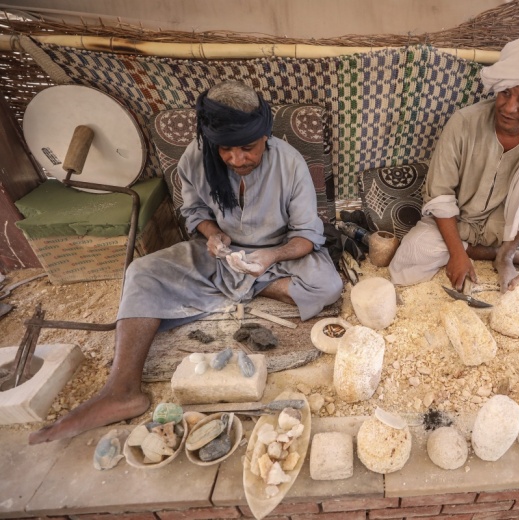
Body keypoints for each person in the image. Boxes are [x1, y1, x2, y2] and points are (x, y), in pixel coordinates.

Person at [29, 80, 343, 444]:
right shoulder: (195, 158)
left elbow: (307, 236)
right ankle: (121, 390)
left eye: (248, 148)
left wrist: (271, 254)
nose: (237, 159)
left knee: (328, 285)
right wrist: (214, 236)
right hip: (223, 256)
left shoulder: (289, 163)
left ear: (265, 135)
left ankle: (240, 286)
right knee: (141, 272)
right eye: (226, 149)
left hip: (278, 254)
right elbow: (194, 212)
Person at [389, 35, 519, 323]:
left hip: (509, 229)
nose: (508, 107)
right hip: (458, 225)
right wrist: (457, 255)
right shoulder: (464, 123)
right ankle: (483, 252)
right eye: (505, 93)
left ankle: (506, 254)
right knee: (405, 265)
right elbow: (440, 196)